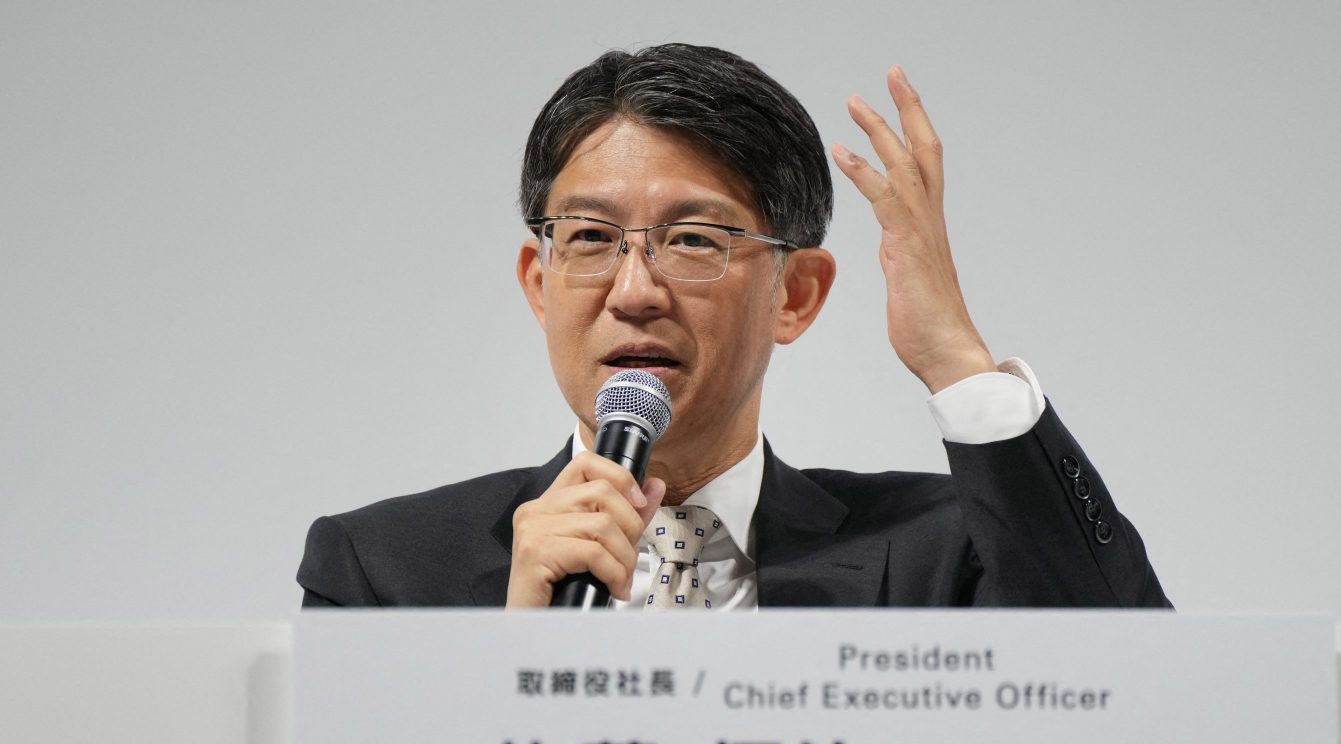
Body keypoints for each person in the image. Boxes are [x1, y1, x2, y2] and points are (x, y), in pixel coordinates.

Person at [297, 43, 1169, 610]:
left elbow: (1139, 695)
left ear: (796, 295)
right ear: (540, 280)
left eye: (693, 241)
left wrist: (956, 360)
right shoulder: (381, 572)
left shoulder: (951, 548)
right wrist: (513, 671)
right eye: (593, 239)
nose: (635, 290)